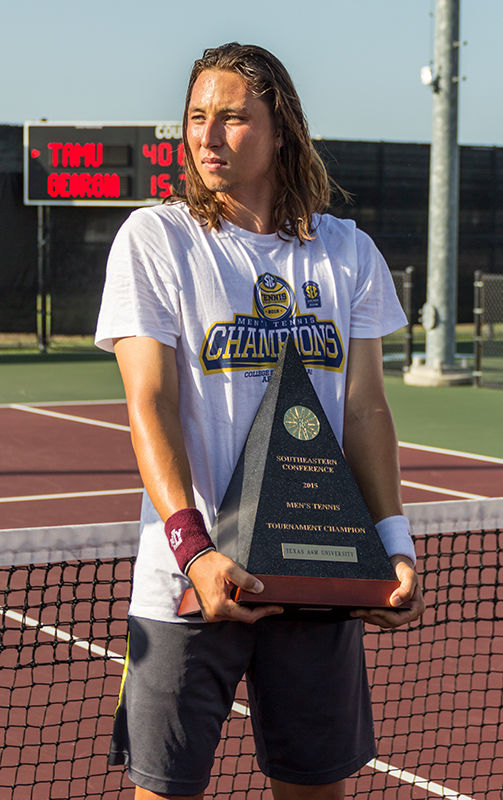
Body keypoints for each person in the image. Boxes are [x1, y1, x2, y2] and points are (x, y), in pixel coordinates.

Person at [95, 42, 425, 800]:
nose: (208, 136)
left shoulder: (346, 252)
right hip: (185, 586)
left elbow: (366, 408)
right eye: (196, 118)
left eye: (234, 118)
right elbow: (150, 401)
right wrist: (194, 552)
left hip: (319, 577)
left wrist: (391, 547)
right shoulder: (157, 239)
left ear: (282, 132)